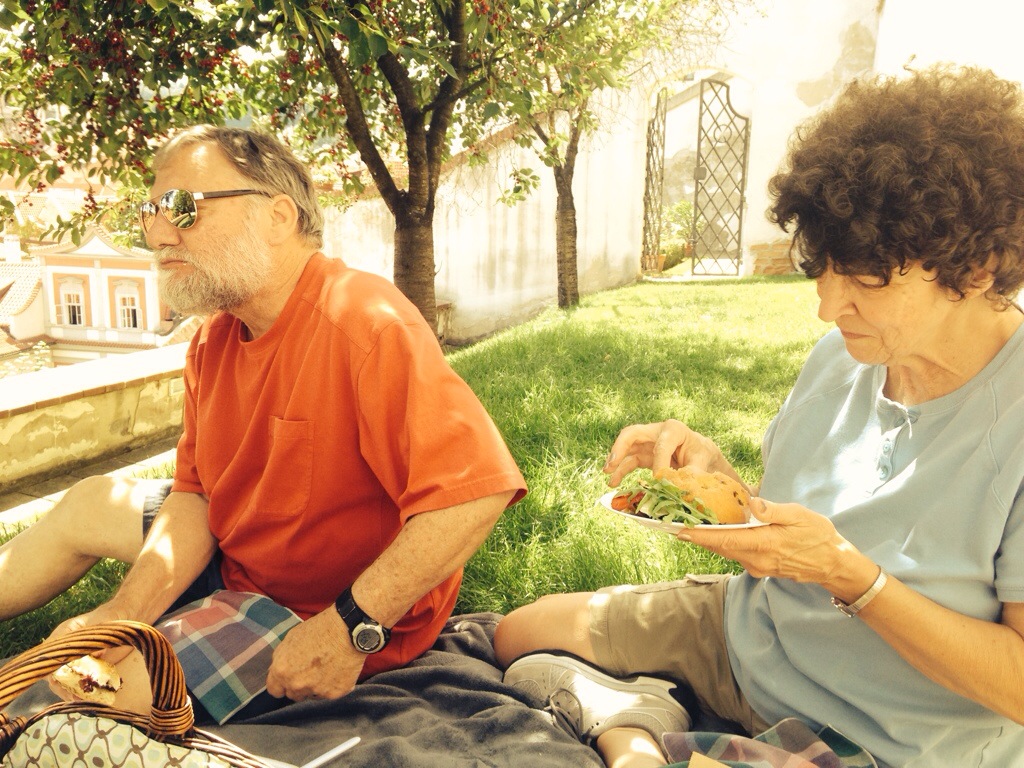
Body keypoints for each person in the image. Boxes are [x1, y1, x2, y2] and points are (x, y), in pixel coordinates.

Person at [493, 64, 1024, 768]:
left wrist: (854, 580)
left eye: (866, 280)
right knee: (516, 635)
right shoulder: (844, 355)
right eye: (824, 269)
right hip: (754, 637)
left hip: (882, 731)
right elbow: (789, 521)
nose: (827, 308)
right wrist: (716, 485)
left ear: (977, 267)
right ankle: (656, 720)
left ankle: (637, 724)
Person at [0, 125, 526, 712]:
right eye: (149, 212)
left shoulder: (365, 321)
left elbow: (472, 495)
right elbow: (196, 497)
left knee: (73, 700)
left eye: (182, 207)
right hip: (241, 553)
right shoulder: (214, 340)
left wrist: (349, 627)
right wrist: (123, 614)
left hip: (312, 609)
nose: (158, 233)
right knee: (89, 503)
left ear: (277, 217)